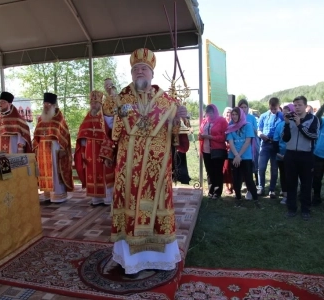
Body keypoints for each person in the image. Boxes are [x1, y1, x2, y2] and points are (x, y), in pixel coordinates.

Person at [99, 48, 187, 277]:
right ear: (131, 74)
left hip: (156, 171)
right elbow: (111, 126)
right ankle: (128, 259)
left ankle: (159, 259)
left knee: (157, 208)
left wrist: (181, 117)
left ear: (152, 74)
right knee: (128, 208)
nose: (140, 72)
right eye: (136, 69)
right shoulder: (121, 99)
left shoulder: (167, 102)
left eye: (144, 69)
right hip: (128, 169)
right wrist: (110, 106)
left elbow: (180, 135)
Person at [74, 90, 114, 206]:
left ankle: (107, 199)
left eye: (96, 103)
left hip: (102, 150)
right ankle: (95, 199)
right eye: (92, 103)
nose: (93, 105)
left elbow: (109, 133)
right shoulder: (87, 117)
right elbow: (82, 134)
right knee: (92, 174)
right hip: (90, 151)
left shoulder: (104, 117)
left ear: (100, 104)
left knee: (104, 172)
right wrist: (82, 148)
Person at [282, 96, 319, 220]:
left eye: (299, 105)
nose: (297, 107)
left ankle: (305, 210)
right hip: (291, 154)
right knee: (291, 183)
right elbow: (285, 138)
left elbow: (313, 135)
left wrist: (299, 125)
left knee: (306, 184)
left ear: (305, 106)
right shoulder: (290, 119)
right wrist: (287, 124)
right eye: (295, 105)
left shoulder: (313, 119)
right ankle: (291, 208)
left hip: (306, 155)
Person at [32, 92, 74, 203]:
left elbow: (64, 135)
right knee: (43, 172)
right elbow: (36, 134)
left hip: (54, 148)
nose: (46, 106)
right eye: (44, 103)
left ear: (54, 105)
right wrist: (35, 146)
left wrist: (62, 149)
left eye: (48, 104)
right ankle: (46, 195)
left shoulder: (59, 118)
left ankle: (58, 195)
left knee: (55, 171)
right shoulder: (41, 118)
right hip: (42, 149)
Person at [226, 107, 261, 208]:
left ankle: (255, 199)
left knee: (248, 179)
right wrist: (236, 156)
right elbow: (230, 142)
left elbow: (247, 141)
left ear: (240, 115)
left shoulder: (247, 125)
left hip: (245, 157)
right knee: (236, 179)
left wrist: (239, 155)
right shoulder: (230, 126)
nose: (234, 116)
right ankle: (238, 198)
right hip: (234, 156)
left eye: (236, 114)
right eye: (232, 114)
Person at [199, 104, 228, 199]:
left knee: (217, 171)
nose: (209, 115)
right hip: (206, 150)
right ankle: (211, 191)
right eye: (207, 113)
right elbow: (201, 133)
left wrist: (212, 137)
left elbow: (224, 137)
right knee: (209, 171)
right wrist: (201, 136)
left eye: (211, 113)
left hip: (218, 150)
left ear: (215, 112)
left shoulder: (222, 121)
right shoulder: (204, 121)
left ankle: (217, 192)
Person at [257, 97, 284, 198]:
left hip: (276, 145)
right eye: (271, 108)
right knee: (261, 167)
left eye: (275, 109)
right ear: (269, 106)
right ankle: (261, 187)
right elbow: (259, 130)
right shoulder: (263, 116)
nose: (273, 111)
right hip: (265, 144)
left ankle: (272, 189)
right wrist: (261, 135)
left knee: (274, 168)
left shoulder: (282, 116)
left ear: (278, 106)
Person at [273, 104, 294, 205]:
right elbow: (276, 140)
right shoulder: (280, 125)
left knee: (292, 176)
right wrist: (278, 154)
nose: (286, 115)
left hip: (293, 155)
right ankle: (285, 195)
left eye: (288, 113)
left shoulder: (296, 124)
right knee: (283, 175)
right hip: (281, 155)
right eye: (284, 113)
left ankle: (292, 195)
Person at [222, 107, 233, 195]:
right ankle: (226, 186)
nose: (228, 114)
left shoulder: (234, 123)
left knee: (233, 167)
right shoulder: (222, 123)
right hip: (224, 148)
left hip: (234, 148)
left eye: (230, 112)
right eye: (227, 113)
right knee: (226, 167)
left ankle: (233, 185)